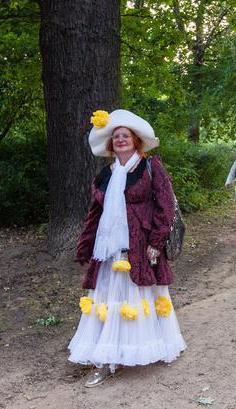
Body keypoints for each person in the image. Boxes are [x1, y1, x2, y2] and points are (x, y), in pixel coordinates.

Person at [70, 109, 186, 387]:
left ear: (136, 141)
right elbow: (94, 214)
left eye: (126, 136)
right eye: (117, 137)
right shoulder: (104, 176)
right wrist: (85, 247)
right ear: (111, 144)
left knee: (139, 298)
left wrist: (157, 243)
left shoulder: (150, 167)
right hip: (108, 251)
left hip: (140, 248)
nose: (121, 140)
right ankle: (104, 361)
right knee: (107, 301)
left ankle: (143, 349)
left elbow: (166, 207)